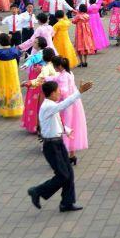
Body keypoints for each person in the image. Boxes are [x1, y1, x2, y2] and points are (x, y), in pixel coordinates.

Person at [27, 79, 93, 212]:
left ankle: (67, 203)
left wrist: (66, 130)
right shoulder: (48, 106)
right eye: (58, 91)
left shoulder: (51, 104)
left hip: (58, 142)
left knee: (69, 173)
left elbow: (55, 121)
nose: (60, 92)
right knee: (62, 175)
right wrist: (79, 92)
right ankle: (37, 191)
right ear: (51, 93)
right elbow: (64, 105)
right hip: (51, 146)